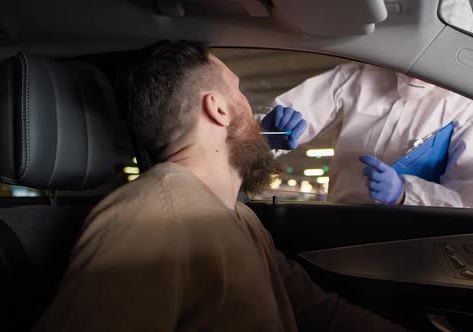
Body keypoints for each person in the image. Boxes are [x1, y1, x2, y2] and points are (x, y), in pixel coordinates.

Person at [33, 41, 409, 332]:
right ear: (218, 108)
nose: (249, 105)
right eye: (239, 92)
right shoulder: (149, 216)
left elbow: (316, 312)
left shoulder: (239, 215)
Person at [259, 0, 473, 208]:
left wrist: (405, 194)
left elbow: (465, 200)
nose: (419, 66)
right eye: (414, 49)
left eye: (434, 54)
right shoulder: (359, 77)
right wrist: (267, 133)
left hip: (417, 236)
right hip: (342, 222)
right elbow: (276, 121)